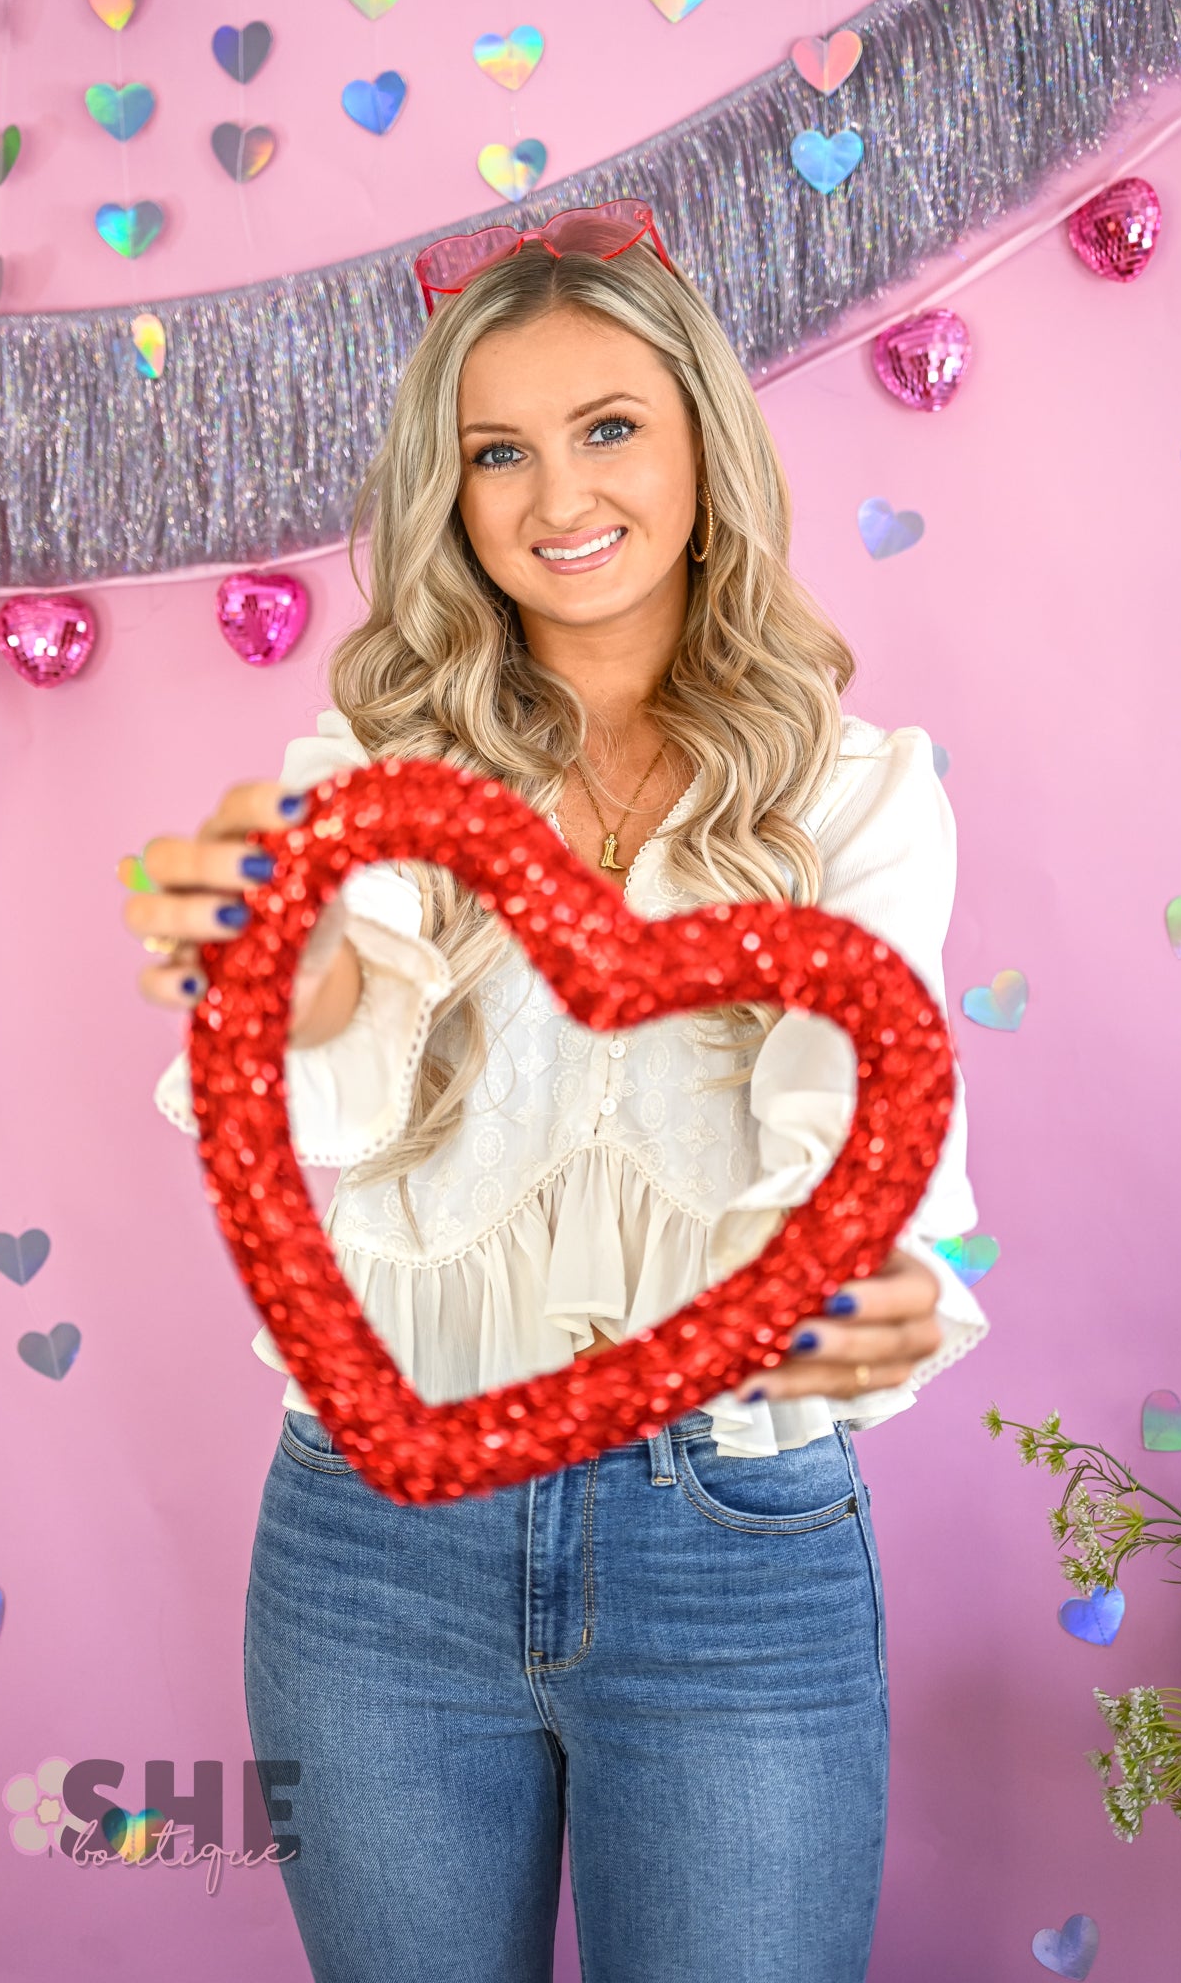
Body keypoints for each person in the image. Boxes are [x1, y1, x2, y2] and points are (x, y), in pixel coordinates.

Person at [127, 202, 987, 1983]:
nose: (553, 495)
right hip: (377, 1544)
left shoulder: (856, 794)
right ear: (447, 497)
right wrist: (287, 983)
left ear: (699, 444)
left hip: (729, 1548)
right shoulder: (364, 770)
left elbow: (861, 1099)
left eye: (606, 427)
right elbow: (334, 1010)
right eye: (493, 452)